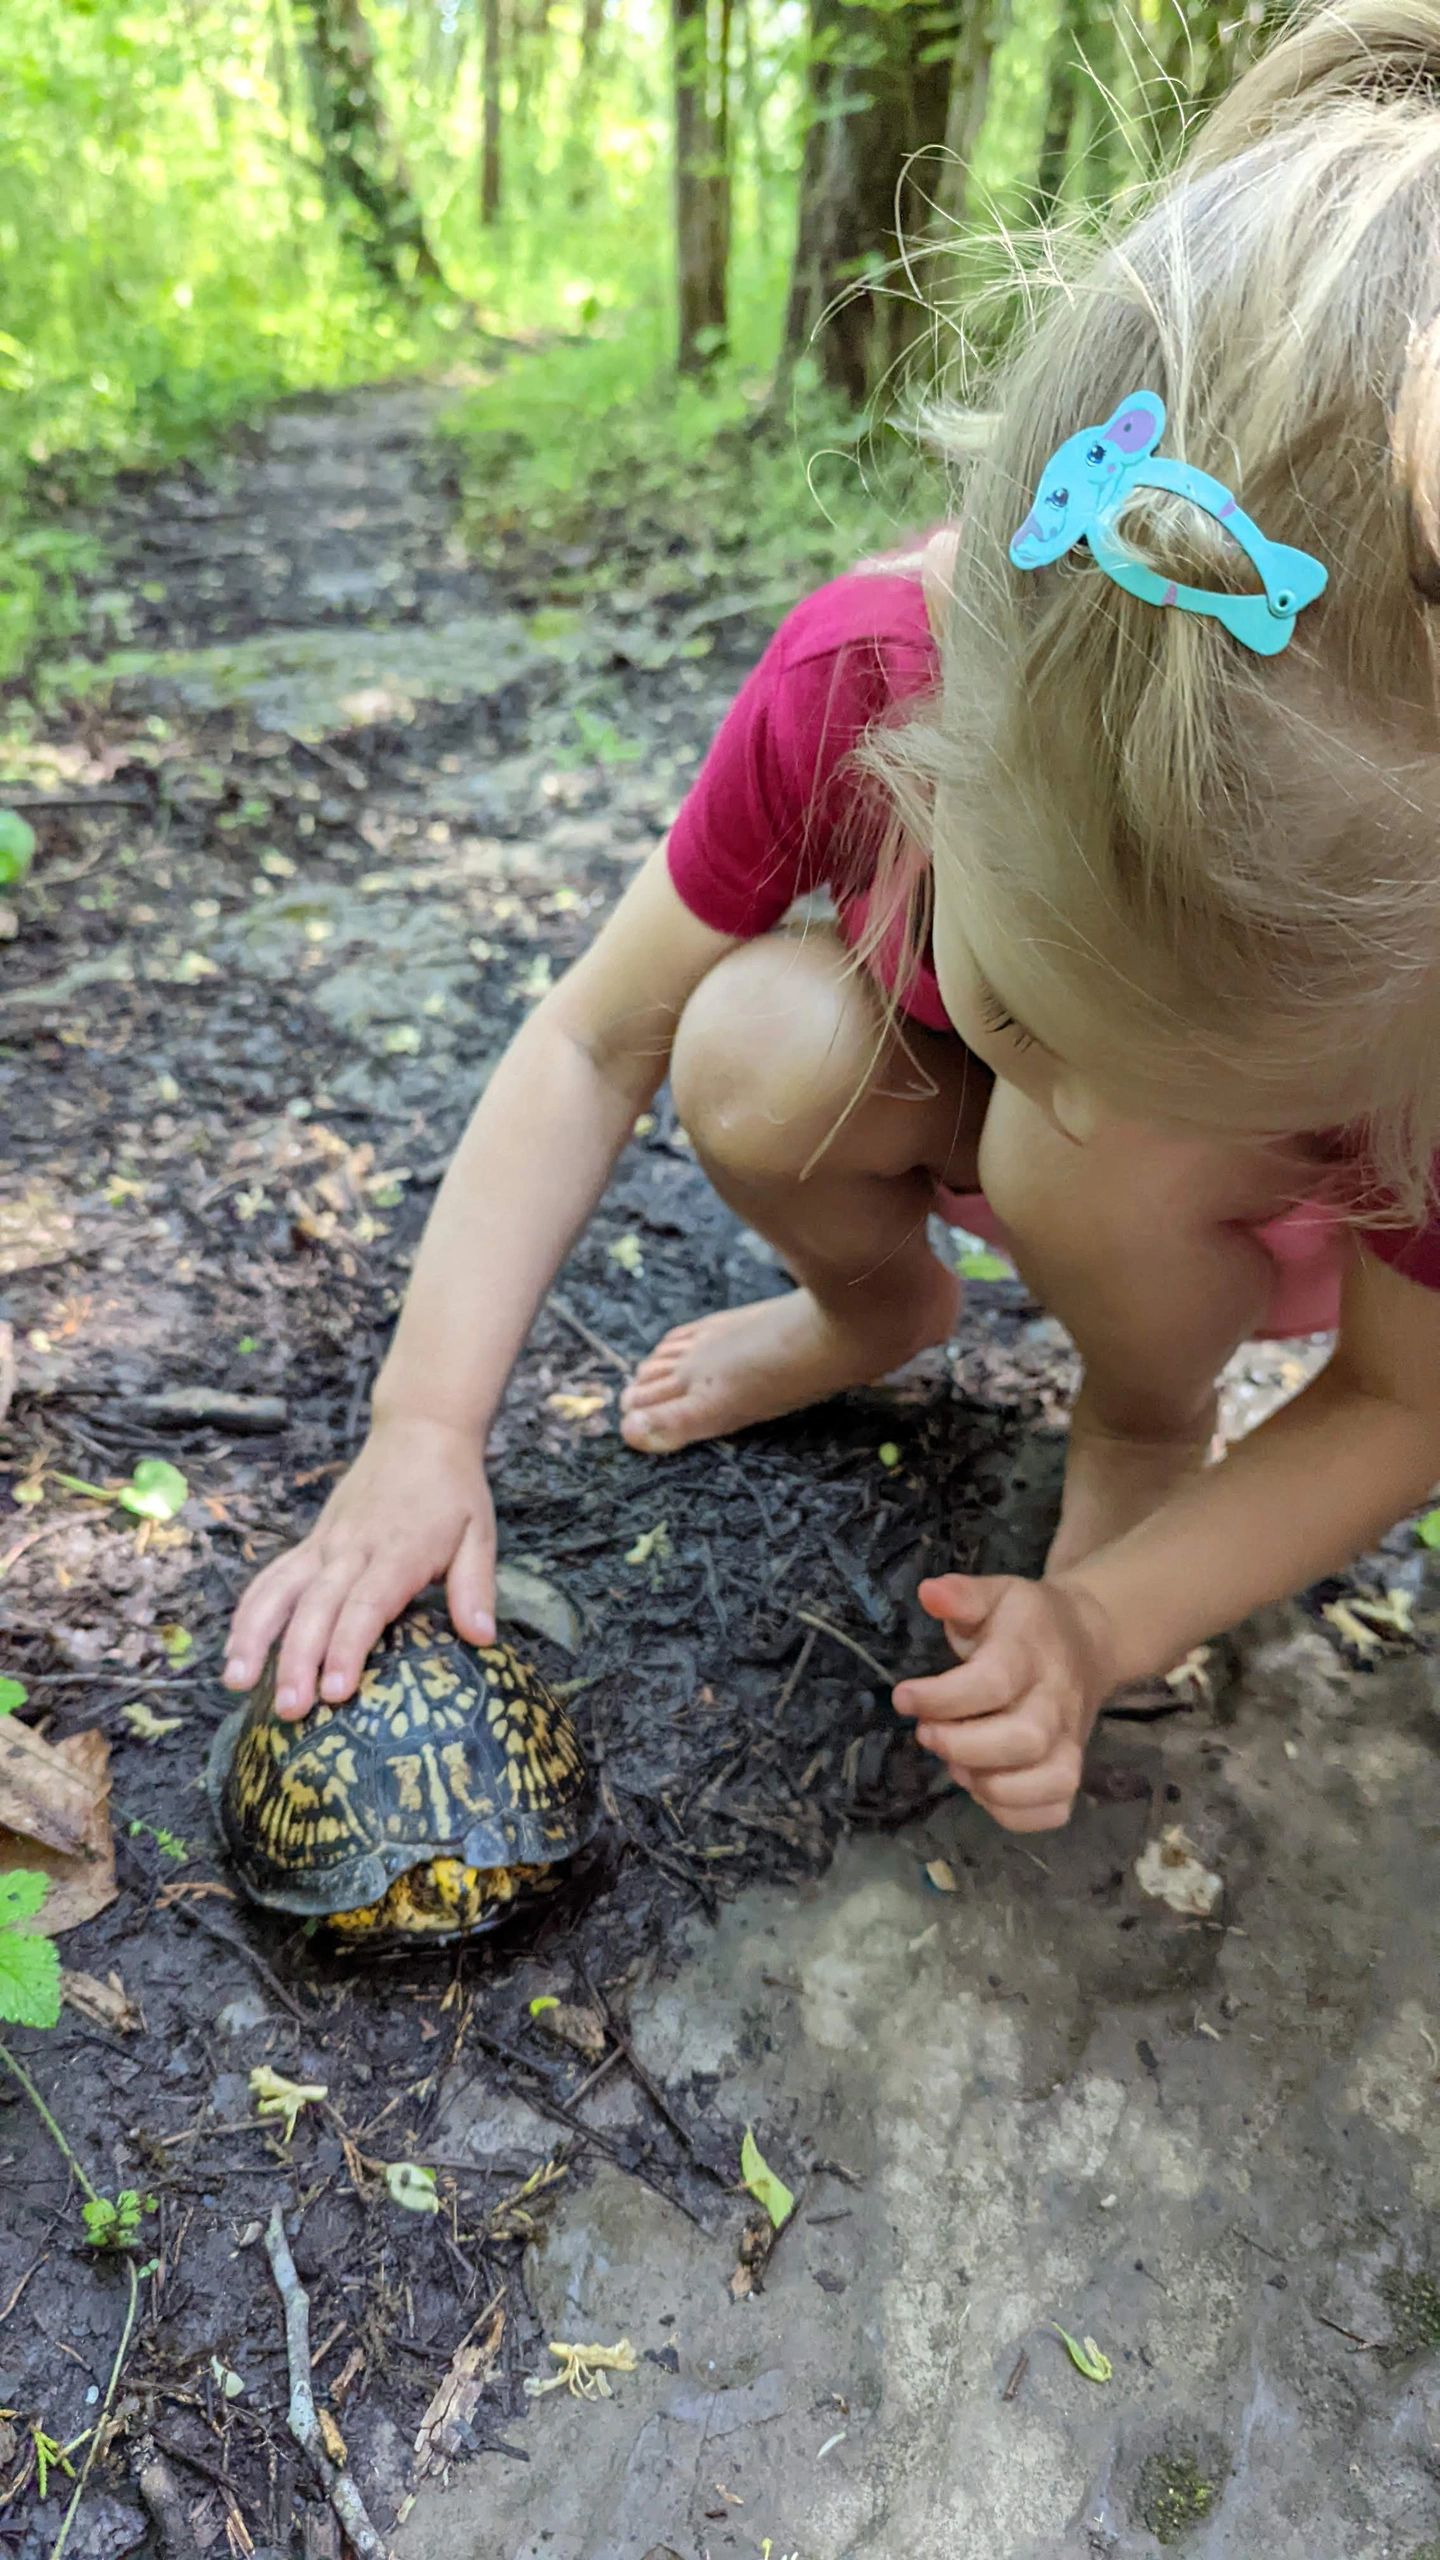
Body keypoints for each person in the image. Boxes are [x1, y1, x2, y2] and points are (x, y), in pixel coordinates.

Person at [223, 0, 1440, 1834]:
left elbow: (1400, 1398)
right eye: (1036, 1010)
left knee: (1090, 1160)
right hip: (916, 1100)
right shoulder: (872, 669)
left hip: (1213, 1241)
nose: (1087, 1091)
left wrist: (1105, 1622)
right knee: (750, 1040)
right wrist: (420, 1429)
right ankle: (876, 1310)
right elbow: (588, 1037)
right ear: (934, 762)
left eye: (1177, 1069)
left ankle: (1136, 1422)